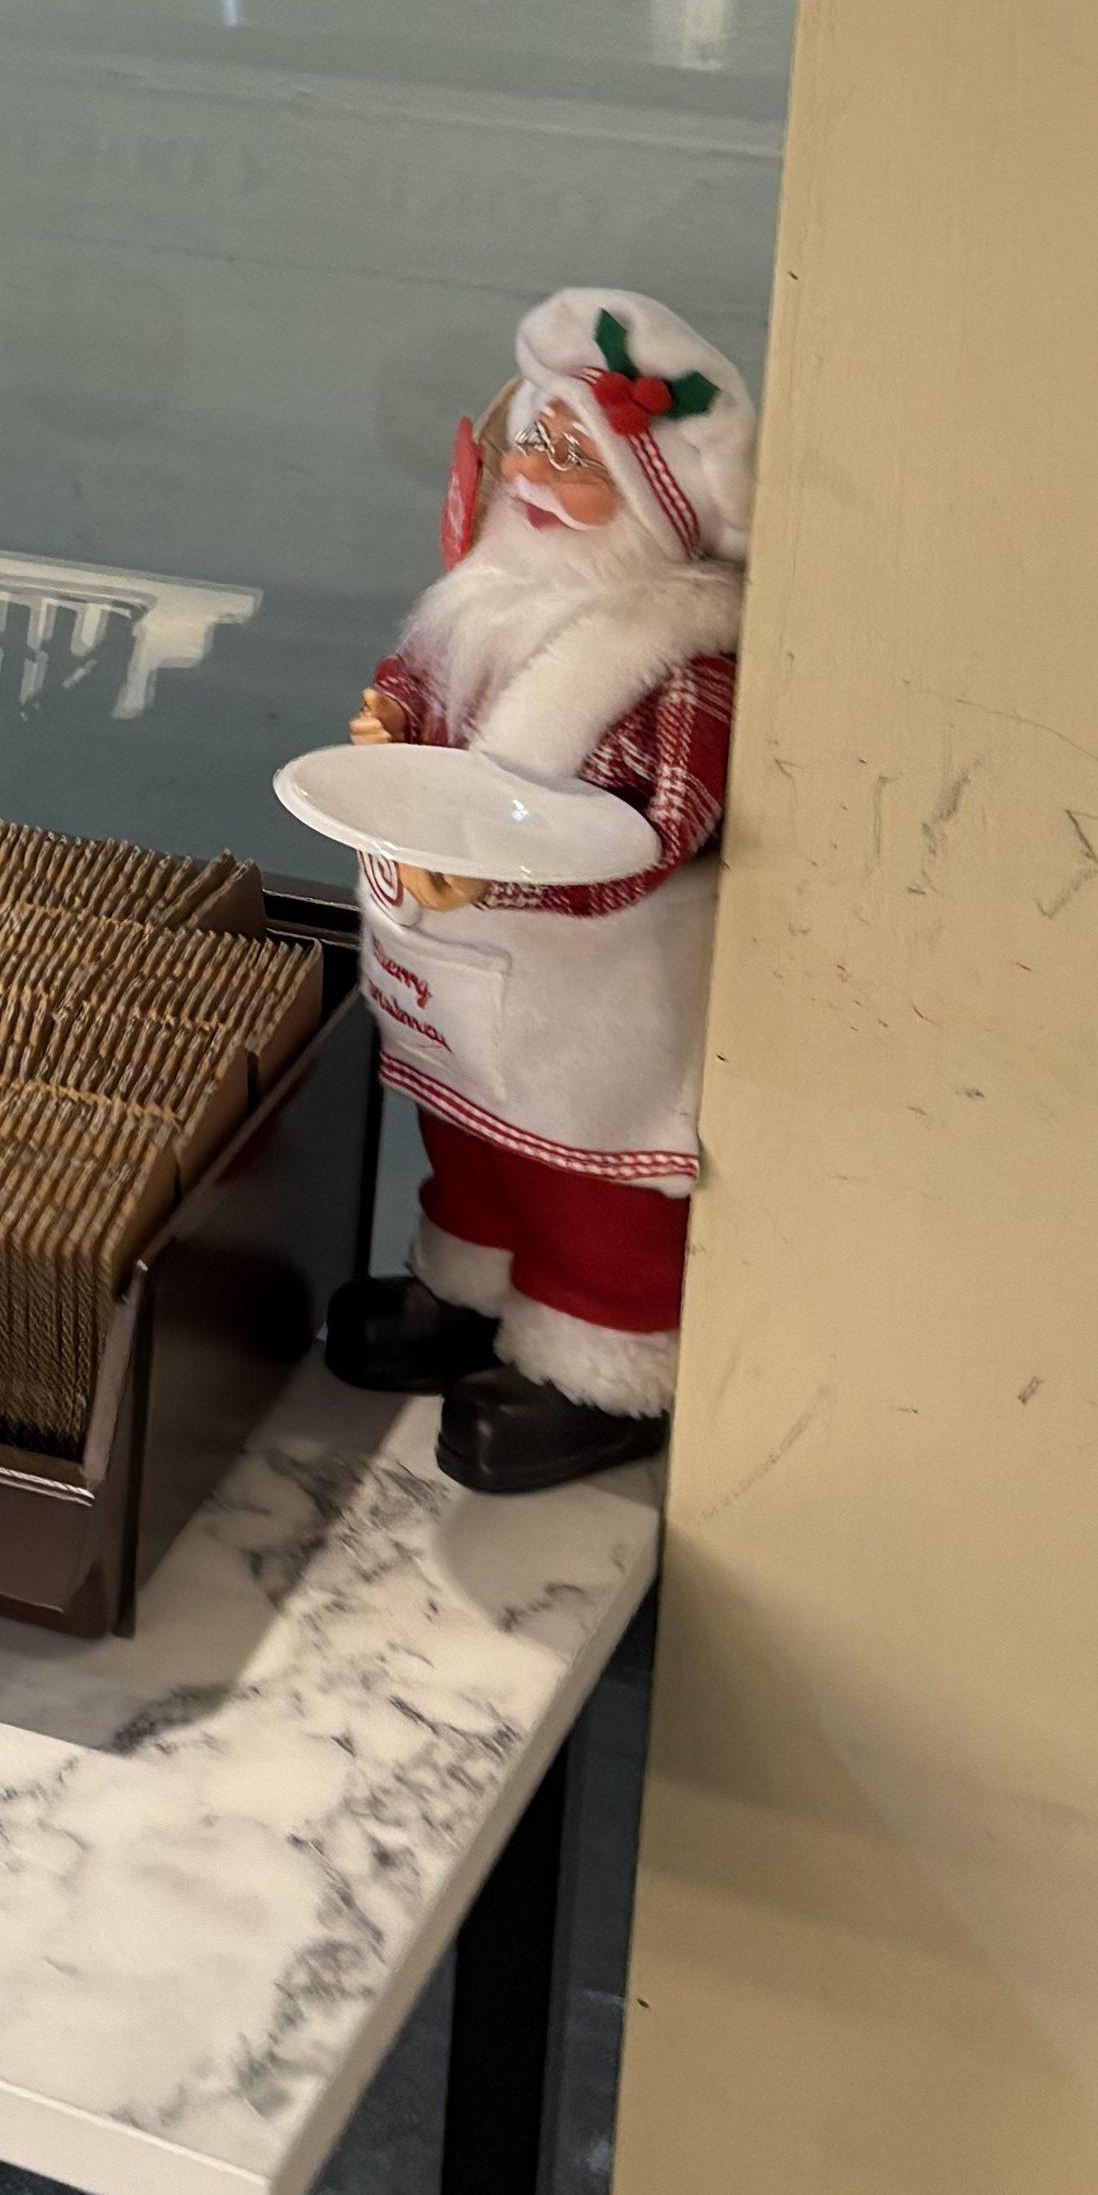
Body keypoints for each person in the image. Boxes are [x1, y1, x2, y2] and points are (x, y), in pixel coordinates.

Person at [321, 288, 751, 1491]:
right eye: (534, 447)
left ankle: (595, 1364)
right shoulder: (487, 601)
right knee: (469, 1141)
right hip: (460, 965)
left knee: (589, 1185)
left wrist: (504, 880)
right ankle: (468, 1288)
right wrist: (392, 717)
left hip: (594, 992)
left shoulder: (673, 662)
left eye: (576, 461)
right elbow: (420, 683)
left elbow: (658, 829)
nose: (534, 477)